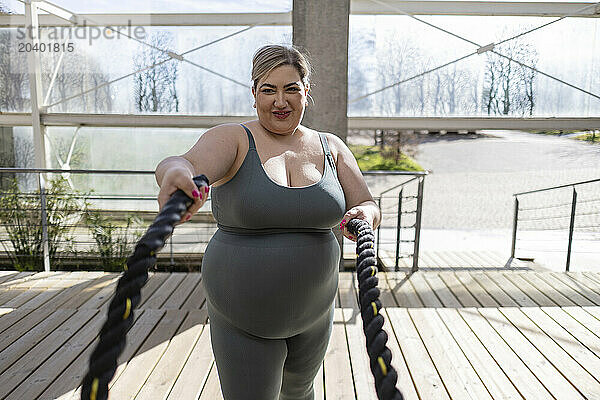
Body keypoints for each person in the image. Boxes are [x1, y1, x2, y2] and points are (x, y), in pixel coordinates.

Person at [155, 44, 381, 400]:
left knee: (301, 393)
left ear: (306, 92)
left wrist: (364, 215)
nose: (280, 101)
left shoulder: (331, 146)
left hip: (315, 313)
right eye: (269, 89)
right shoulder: (232, 138)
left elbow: (366, 201)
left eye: (291, 88)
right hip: (242, 317)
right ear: (254, 93)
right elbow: (182, 163)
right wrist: (176, 174)